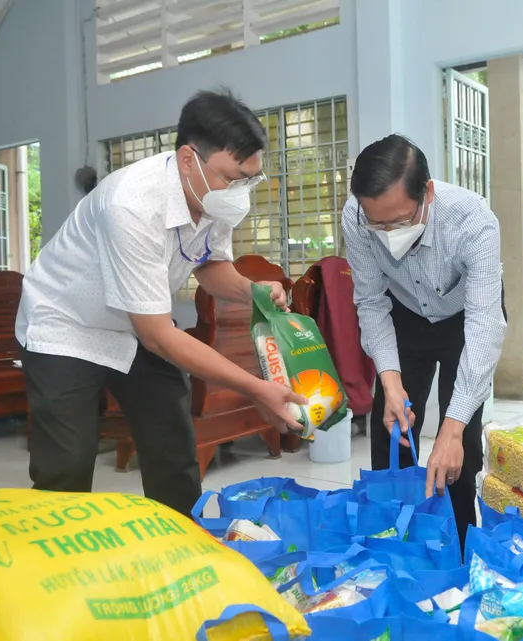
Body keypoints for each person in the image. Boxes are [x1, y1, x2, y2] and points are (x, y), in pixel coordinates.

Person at [15, 89, 305, 517]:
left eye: (250, 179)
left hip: (135, 323)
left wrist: (252, 290)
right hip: (66, 325)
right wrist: (255, 388)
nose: (240, 190)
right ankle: (58, 552)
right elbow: (158, 336)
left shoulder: (211, 196)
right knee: (67, 465)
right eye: (233, 178)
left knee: (172, 443)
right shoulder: (130, 204)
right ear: (189, 160)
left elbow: (209, 266)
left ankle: (182, 540)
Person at [343, 134, 506, 548]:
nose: (386, 233)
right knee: (391, 426)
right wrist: (391, 383)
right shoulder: (357, 216)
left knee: (460, 441)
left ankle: (459, 544)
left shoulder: (472, 220)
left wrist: (451, 429)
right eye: (377, 224)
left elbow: (485, 324)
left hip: (463, 317)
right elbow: (370, 301)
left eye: (399, 222)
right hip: (404, 314)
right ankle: (393, 539)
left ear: (427, 193)